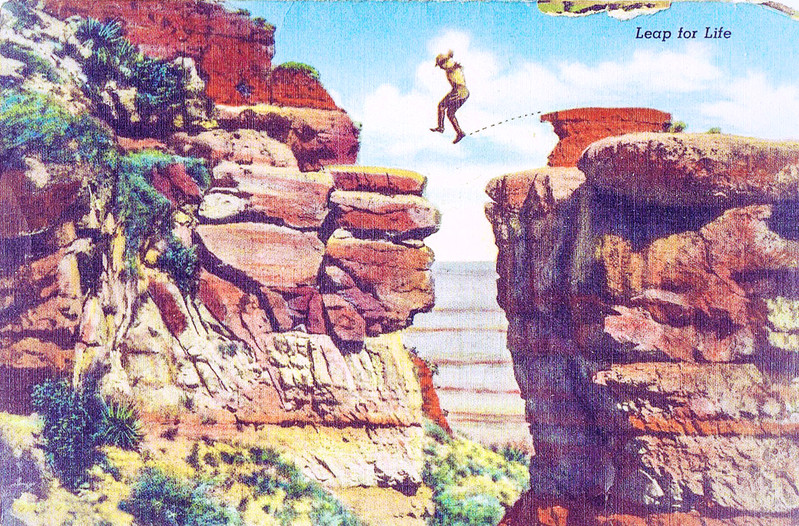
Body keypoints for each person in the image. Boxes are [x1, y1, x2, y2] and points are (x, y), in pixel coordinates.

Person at [430, 50, 469, 144]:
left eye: (440, 65)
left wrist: (447, 57)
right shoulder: (449, 67)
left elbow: (451, 65)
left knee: (441, 106)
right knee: (450, 113)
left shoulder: (450, 66)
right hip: (462, 92)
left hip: (459, 91)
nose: (440, 68)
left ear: (444, 63)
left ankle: (441, 127)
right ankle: (460, 132)